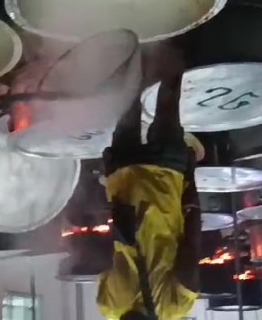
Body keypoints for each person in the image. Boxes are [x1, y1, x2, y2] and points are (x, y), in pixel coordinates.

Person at [95, 47, 204, 320]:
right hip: (134, 177)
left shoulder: (172, 306)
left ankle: (152, 44)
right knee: (135, 103)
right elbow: (103, 252)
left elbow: (192, 241)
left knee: (161, 101)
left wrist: (189, 176)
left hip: (158, 175)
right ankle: (146, 43)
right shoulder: (111, 307)